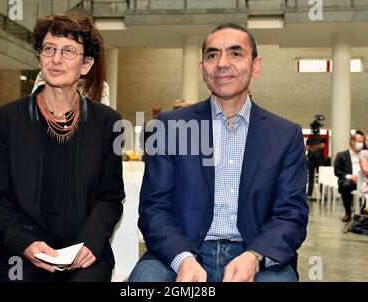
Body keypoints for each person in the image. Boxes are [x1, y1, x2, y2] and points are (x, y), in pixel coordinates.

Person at [129, 23, 309, 282]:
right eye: (212, 55)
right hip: (182, 250)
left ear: (256, 66)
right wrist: (182, 258)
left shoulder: (285, 135)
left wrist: (255, 256)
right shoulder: (170, 126)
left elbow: (291, 214)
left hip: (255, 253)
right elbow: (154, 208)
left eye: (236, 53)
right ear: (203, 69)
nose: (222, 63)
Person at [0, 12, 124, 281]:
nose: (56, 59)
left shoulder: (108, 123)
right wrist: (25, 244)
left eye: (68, 51)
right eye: (49, 49)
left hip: (82, 249)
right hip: (19, 249)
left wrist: (90, 243)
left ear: (86, 65)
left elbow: (110, 197)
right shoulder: (7, 119)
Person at [334, 130, 365, 222]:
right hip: (349, 180)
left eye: (362, 142)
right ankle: (348, 212)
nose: (361, 144)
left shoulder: (365, 154)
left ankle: (364, 211)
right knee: (345, 185)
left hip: (363, 180)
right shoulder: (342, 155)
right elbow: (337, 171)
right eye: (359, 141)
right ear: (352, 141)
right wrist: (349, 176)